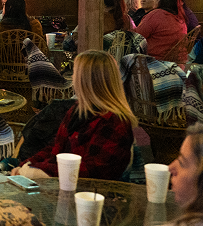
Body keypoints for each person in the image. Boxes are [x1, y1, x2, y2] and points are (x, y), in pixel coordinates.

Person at [11, 50, 137, 182]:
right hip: (62, 185)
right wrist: (27, 165)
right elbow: (55, 149)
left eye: (75, 73)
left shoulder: (114, 121)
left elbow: (91, 171)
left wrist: (37, 172)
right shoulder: (78, 110)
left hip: (91, 196)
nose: (72, 78)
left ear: (87, 81)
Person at [135, 0, 188, 64]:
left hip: (154, 62)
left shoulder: (156, 14)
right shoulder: (180, 16)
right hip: (176, 62)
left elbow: (137, 36)